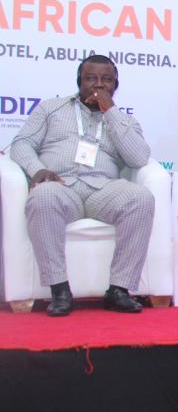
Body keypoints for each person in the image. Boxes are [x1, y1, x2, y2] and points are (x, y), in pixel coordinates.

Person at [10, 55, 153, 316]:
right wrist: (37, 169)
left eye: (106, 80)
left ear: (115, 85)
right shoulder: (51, 108)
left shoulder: (125, 120)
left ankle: (118, 290)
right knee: (43, 195)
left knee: (141, 198)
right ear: (79, 82)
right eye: (91, 78)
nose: (98, 85)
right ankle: (59, 290)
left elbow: (138, 158)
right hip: (61, 185)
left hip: (103, 189)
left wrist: (110, 112)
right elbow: (22, 144)